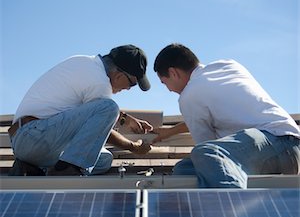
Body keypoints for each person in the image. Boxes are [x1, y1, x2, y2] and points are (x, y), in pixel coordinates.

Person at [153, 43, 300, 188]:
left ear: (173, 73)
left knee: (205, 153)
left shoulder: (189, 95)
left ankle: (233, 206)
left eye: (164, 82)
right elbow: (222, 113)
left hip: (276, 140)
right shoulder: (228, 65)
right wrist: (170, 131)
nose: (169, 90)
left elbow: (208, 147)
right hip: (290, 145)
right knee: (183, 170)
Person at [9, 44, 153, 176]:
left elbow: (85, 116)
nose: (128, 89)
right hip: (34, 136)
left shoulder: (85, 63)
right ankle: (66, 172)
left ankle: (34, 169)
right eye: (132, 84)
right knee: (110, 107)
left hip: (30, 139)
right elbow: (99, 130)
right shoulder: (100, 83)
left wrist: (125, 119)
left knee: (104, 159)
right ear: (119, 75)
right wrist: (133, 147)